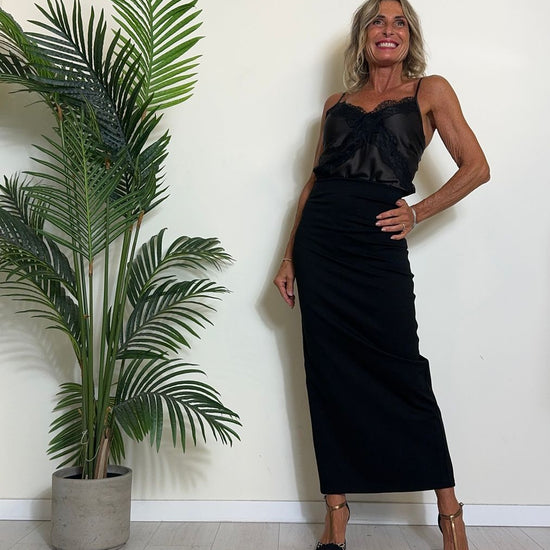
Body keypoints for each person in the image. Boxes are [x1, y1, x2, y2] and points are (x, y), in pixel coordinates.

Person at [273, 0, 490, 549]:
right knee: (327, 374)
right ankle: (336, 513)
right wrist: (289, 256)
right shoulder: (336, 103)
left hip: (376, 246)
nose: (387, 30)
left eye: (398, 22)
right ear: (363, 35)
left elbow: (477, 167)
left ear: (409, 36)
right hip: (322, 244)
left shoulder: (430, 90)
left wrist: (417, 212)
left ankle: (450, 514)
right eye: (377, 20)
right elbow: (313, 182)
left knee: (404, 370)